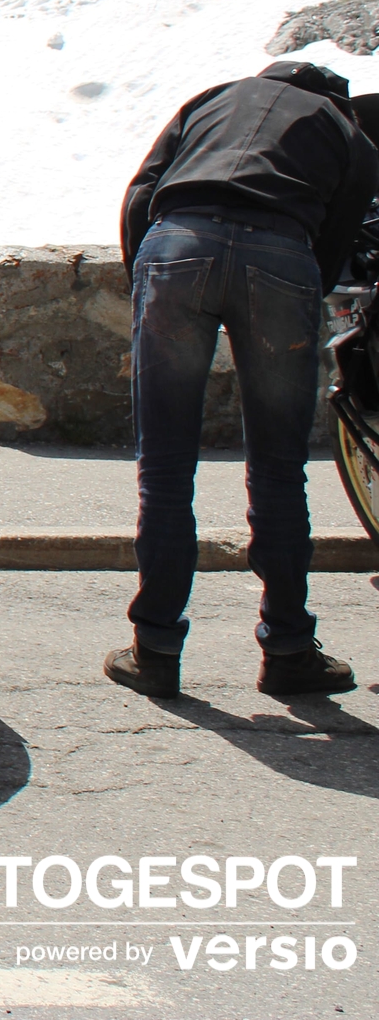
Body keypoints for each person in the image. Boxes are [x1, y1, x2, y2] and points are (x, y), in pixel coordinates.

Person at [109, 60, 379, 699]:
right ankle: (287, 648)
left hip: (176, 244)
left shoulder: (214, 97)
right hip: (282, 255)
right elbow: (337, 243)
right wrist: (288, 286)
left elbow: (141, 194)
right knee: (281, 469)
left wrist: (146, 282)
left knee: (166, 469)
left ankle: (155, 649)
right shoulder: (348, 133)